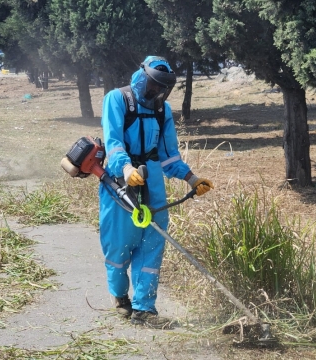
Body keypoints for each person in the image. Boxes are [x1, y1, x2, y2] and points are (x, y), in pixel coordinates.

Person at [99, 56, 214, 328]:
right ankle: (120, 296)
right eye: (154, 85)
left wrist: (191, 178)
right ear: (142, 77)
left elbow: (168, 156)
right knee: (118, 247)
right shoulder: (117, 99)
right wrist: (126, 169)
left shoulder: (163, 110)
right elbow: (114, 142)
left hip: (153, 184)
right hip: (120, 183)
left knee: (152, 246)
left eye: (163, 88)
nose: (157, 92)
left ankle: (144, 308)